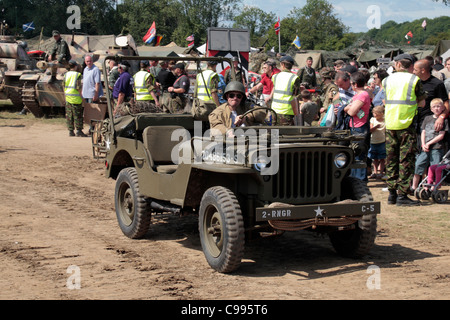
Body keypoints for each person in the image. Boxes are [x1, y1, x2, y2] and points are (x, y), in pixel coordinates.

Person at [383, 53, 427, 206]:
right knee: (406, 160)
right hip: (406, 124)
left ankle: (391, 194)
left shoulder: (386, 80)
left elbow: (384, 99)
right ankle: (402, 195)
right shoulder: (414, 80)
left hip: (390, 123)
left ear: (398, 65)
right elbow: (422, 103)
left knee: (391, 160)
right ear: (410, 66)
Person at [412, 98, 449, 190]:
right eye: (434, 107)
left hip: (437, 148)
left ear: (443, 108)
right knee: (419, 165)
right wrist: (423, 144)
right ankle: (414, 186)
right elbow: (423, 132)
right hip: (425, 148)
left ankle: (433, 187)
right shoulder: (427, 118)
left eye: (438, 106)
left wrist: (429, 143)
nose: (436, 108)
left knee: (435, 167)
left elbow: (441, 135)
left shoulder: (444, 121)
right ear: (431, 109)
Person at [344, 71, 372, 181]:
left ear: (355, 84)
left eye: (351, 84)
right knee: (354, 154)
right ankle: (355, 178)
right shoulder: (359, 95)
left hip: (360, 128)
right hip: (355, 126)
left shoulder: (363, 95)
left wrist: (347, 108)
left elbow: (351, 111)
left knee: (359, 154)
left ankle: (360, 179)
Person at [413, 59, 449, 136]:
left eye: (415, 70)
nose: (413, 72)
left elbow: (446, 103)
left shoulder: (437, 84)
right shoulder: (414, 83)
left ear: (423, 70)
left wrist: (441, 117)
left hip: (430, 124)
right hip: (415, 122)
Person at [269, 55, 301, 125]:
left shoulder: (275, 76)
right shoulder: (295, 78)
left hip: (274, 110)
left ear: (283, 65)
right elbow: (297, 96)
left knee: (274, 133)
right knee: (286, 133)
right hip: (287, 112)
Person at [63, 60, 86, 137]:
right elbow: (78, 87)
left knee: (69, 115)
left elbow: (64, 86)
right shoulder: (77, 75)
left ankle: (71, 131)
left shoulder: (66, 74)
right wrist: (82, 97)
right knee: (78, 115)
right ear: (75, 66)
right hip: (76, 98)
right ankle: (79, 131)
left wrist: (65, 96)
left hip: (68, 97)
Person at [368, 106, 386, 179]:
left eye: (377, 114)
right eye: (374, 113)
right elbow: (370, 130)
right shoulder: (372, 120)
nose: (375, 115)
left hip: (382, 141)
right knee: (374, 158)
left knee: (382, 158)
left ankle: (381, 172)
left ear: (381, 114)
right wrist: (376, 127)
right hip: (373, 141)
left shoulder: (385, 120)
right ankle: (375, 172)